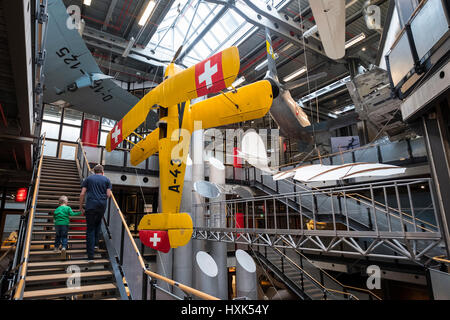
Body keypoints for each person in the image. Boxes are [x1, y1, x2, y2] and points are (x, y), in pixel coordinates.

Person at [79, 164, 112, 262]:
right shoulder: (107, 180)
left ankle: (90, 257)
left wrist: (81, 207)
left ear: (93, 171)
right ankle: (96, 245)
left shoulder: (88, 179)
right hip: (101, 206)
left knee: (90, 229)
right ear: (102, 172)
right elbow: (108, 195)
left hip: (90, 206)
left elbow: (82, 193)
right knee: (98, 224)